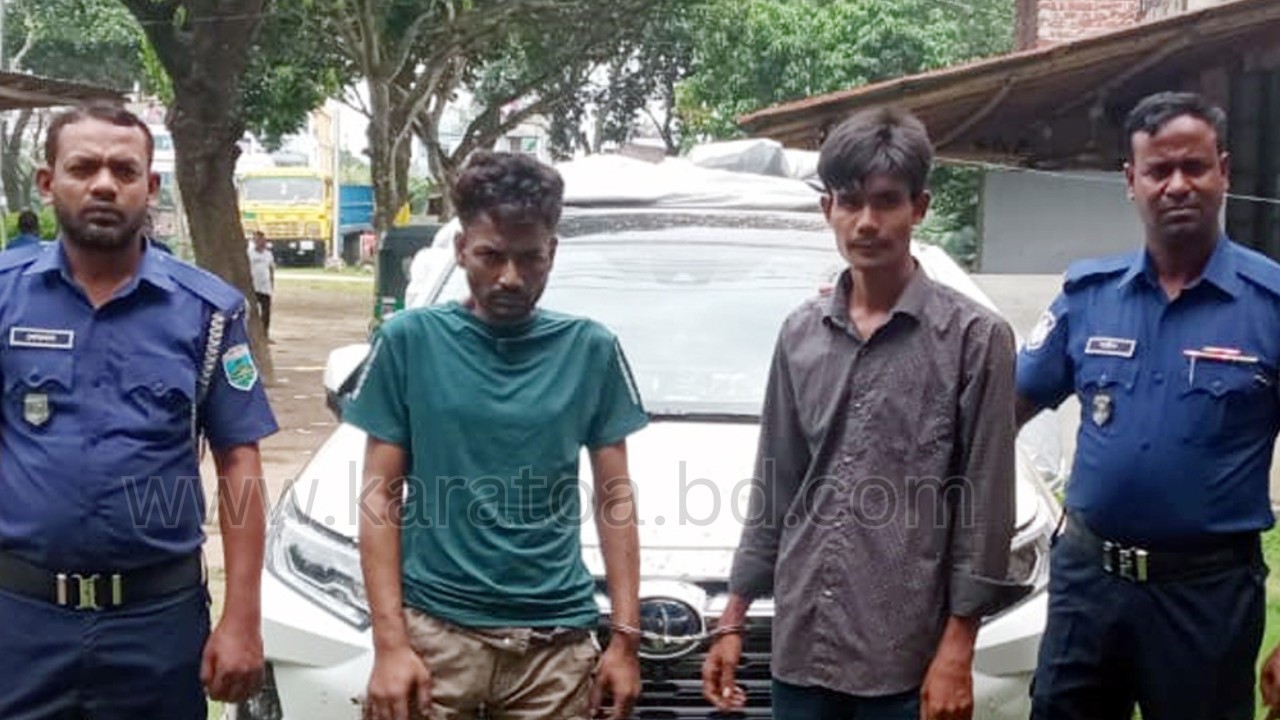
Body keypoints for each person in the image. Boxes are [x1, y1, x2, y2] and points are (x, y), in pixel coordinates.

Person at [701, 107, 1021, 720]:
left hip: (905, 656)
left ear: (919, 207)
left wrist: (958, 647)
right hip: (803, 644)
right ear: (828, 209)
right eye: (850, 202)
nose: (867, 222)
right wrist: (734, 615)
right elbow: (775, 483)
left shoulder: (975, 339)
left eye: (886, 201)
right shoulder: (800, 334)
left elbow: (984, 511)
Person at [0, 102, 278, 719]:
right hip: (19, 622)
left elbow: (239, 462)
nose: (104, 184)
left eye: (124, 171)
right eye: (83, 168)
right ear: (47, 182)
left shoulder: (207, 312)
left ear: (150, 187)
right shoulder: (5, 297)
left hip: (157, 625)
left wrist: (242, 618)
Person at [346, 151, 648, 720]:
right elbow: (379, 497)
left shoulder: (590, 350)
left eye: (530, 257)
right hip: (435, 637)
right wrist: (390, 645)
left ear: (552, 252)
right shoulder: (410, 341)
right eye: (491, 255)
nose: (510, 277)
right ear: (462, 248)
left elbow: (616, 500)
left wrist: (625, 641)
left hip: (554, 649)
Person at [1017, 90, 1280, 720]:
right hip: (1087, 588)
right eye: (1159, 170)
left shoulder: (1270, 305)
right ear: (1130, 181)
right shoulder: (1088, 296)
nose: (1177, 185)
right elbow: (997, 413)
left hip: (1207, 599)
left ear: (1224, 172)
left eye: (1194, 167)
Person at [248, 230, 275, 339]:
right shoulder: (249, 253)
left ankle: (265, 334)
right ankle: (252, 334)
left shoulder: (268, 254)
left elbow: (271, 269)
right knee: (252, 311)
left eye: (261, 240)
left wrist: (272, 283)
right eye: (257, 240)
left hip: (265, 287)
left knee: (266, 312)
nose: (259, 242)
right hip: (253, 286)